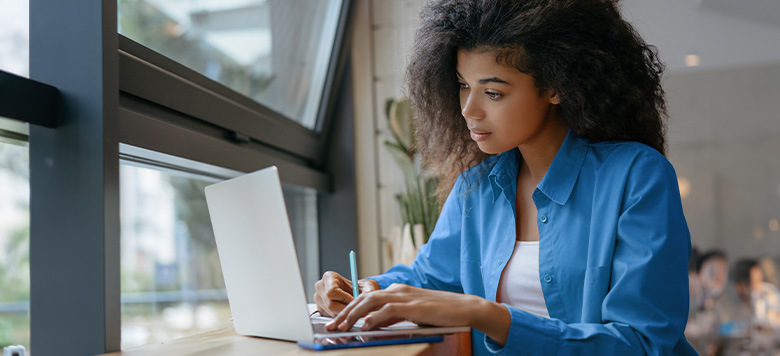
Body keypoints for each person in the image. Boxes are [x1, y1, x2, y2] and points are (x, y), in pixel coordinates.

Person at [314, 0, 695, 354]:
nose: (468, 110)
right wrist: (367, 289)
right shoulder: (475, 190)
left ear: (556, 87)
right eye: (464, 85)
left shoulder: (637, 176)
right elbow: (428, 278)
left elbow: (643, 343)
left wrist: (485, 315)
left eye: (492, 92)